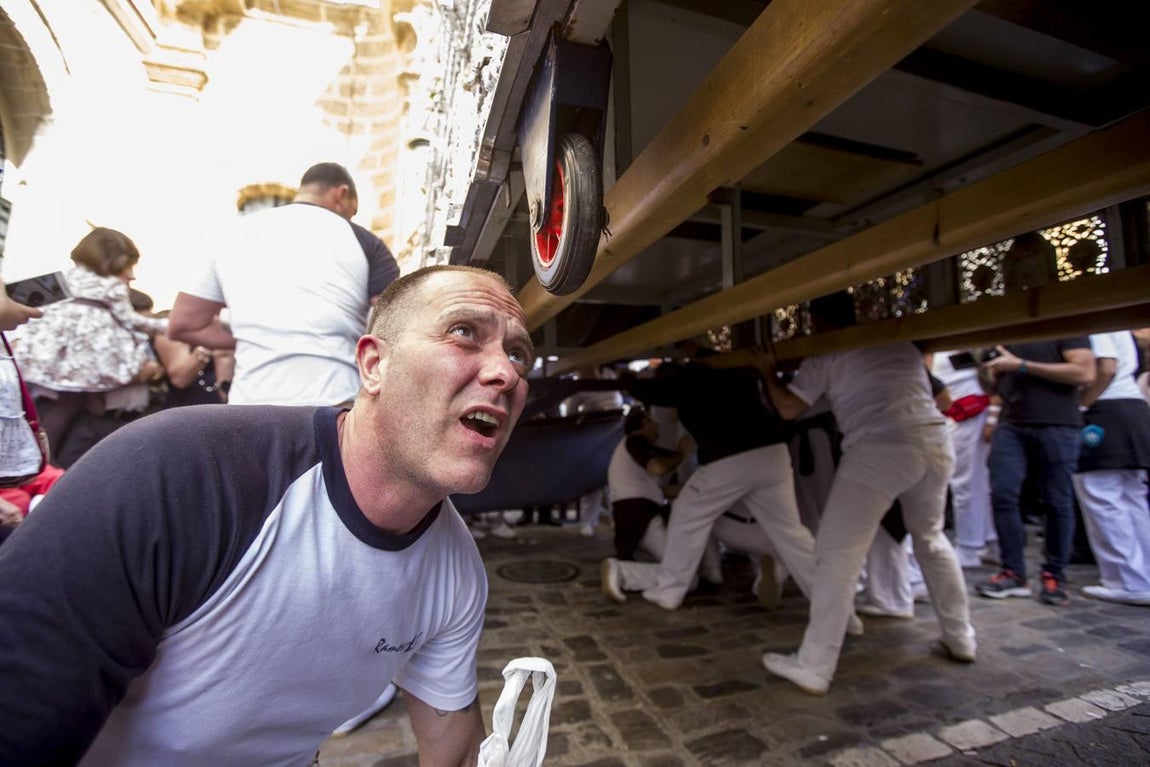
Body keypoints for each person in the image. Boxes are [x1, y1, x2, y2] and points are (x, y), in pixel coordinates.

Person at [0, 265, 533, 766]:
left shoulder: (457, 571)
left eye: (519, 355)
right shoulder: (178, 475)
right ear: (375, 364)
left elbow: (454, 745)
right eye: (464, 332)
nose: (505, 372)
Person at [759, 291, 976, 696]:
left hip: (880, 447)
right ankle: (961, 637)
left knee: (836, 553)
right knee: (930, 538)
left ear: (817, 322)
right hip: (933, 442)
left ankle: (814, 664)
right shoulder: (896, 339)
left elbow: (789, 408)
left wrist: (768, 372)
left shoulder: (827, 351)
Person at [169, 162, 399, 406]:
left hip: (251, 403)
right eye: (352, 211)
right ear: (340, 194)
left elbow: (183, 325)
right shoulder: (365, 241)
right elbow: (396, 321)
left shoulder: (233, 234)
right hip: (333, 401)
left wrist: (258, 336)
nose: (351, 218)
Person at [620, 348, 821, 614]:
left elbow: (651, 392)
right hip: (774, 454)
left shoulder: (688, 375)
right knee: (792, 535)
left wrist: (625, 379)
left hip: (730, 457)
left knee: (686, 516)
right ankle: (835, 604)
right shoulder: (734, 369)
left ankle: (670, 591)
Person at [10, 228, 167, 466]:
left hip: (52, 355)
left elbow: (22, 298)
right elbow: (130, 319)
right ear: (115, 260)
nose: (131, 275)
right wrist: (164, 326)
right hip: (89, 358)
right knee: (80, 405)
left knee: (62, 406)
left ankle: (38, 459)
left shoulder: (65, 277)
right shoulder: (112, 286)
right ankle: (45, 464)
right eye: (129, 265)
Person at [975, 338, 1094, 606]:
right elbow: (991, 386)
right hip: (1011, 423)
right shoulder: (1007, 331)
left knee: (1057, 501)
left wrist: (1022, 365)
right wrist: (986, 369)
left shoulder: (1066, 327)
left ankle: (1054, 575)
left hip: (1058, 424)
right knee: (1003, 494)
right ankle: (1013, 572)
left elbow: (1085, 372)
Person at [1072, 331, 1150, 605]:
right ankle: (1141, 577)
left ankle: (1127, 580)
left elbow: (1106, 367)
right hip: (1132, 408)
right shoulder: (1120, 323)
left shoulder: (1098, 322)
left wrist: (1081, 404)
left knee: (1101, 494)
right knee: (1132, 496)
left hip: (1105, 410)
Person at [931, 350, 997, 568]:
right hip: (957, 415)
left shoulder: (966, 344)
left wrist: (994, 415)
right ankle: (990, 542)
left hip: (968, 413)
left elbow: (992, 376)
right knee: (976, 483)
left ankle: (969, 547)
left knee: (966, 483)